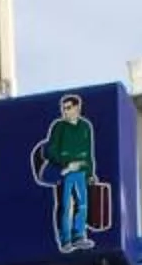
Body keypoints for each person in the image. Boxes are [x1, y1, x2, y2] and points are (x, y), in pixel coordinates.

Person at [32, 93, 99, 253]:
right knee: (65, 205)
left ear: (77, 108)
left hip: (81, 171)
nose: (65, 111)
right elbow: (51, 151)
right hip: (65, 171)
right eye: (64, 108)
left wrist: (90, 172)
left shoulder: (85, 127)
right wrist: (68, 162)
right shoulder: (58, 126)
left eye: (68, 108)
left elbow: (88, 152)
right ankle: (65, 240)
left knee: (82, 205)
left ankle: (79, 236)